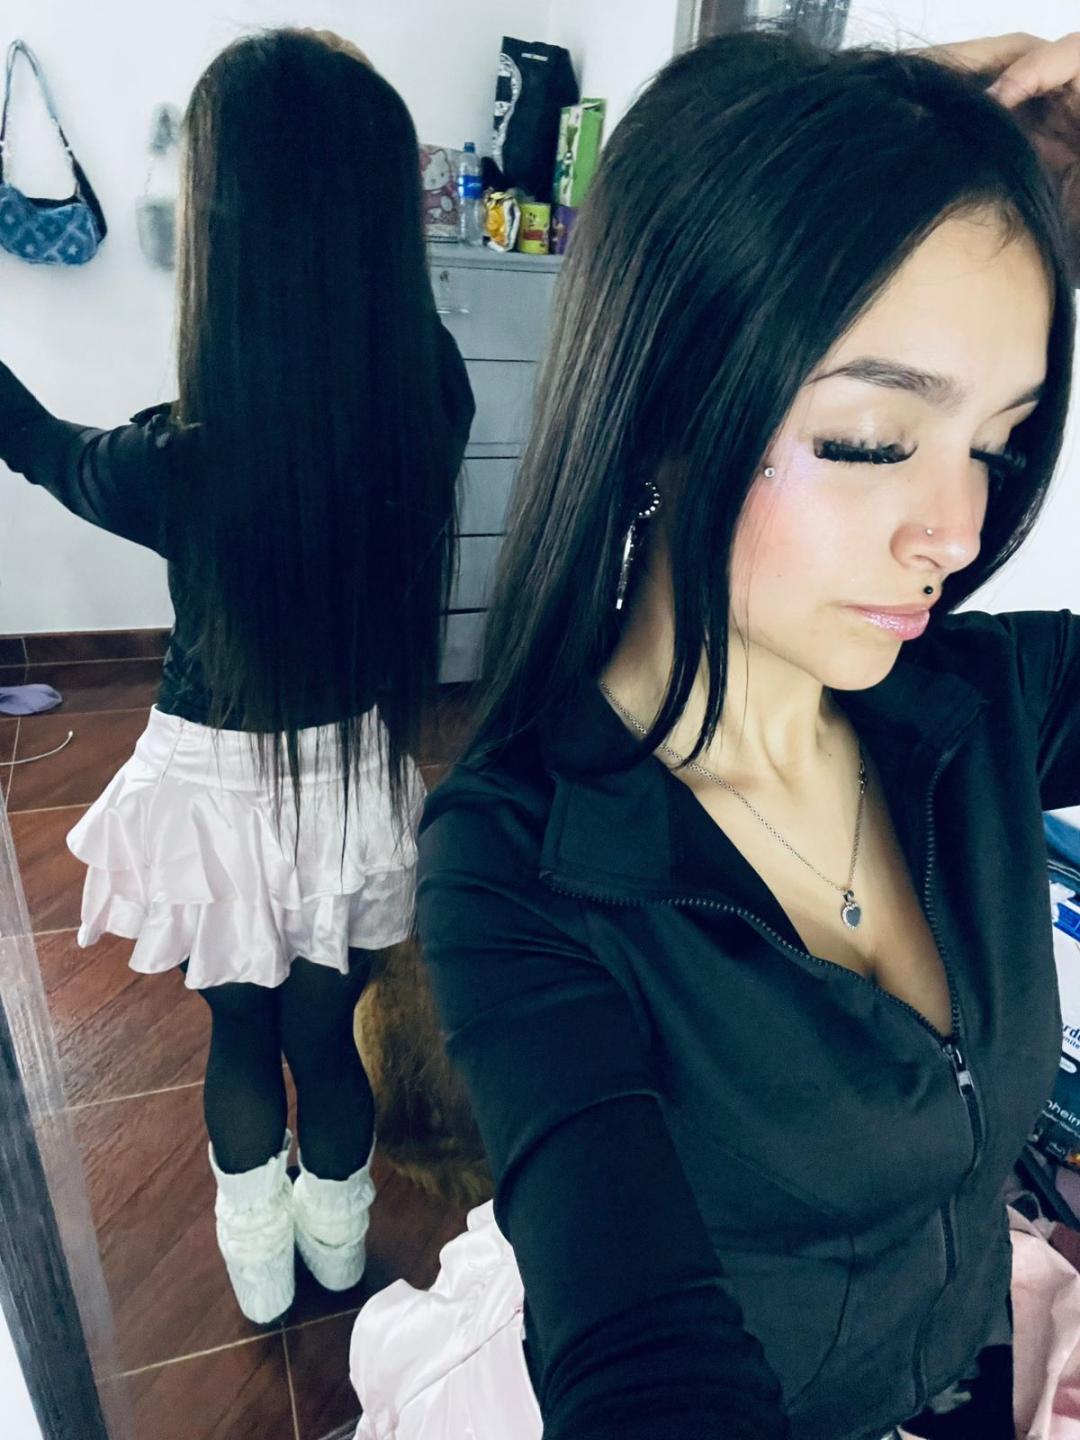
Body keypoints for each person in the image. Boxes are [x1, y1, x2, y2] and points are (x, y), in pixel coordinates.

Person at [381, 26, 1080, 1440]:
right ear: (660, 413)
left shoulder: (987, 699)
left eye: (998, 445)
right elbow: (643, 1358)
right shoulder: (523, 869)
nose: (958, 532)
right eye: (875, 440)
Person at [0, 28, 473, 1324]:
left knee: (242, 1038)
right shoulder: (431, 404)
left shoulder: (179, 463)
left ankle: (263, 1280)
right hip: (352, 779)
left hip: (213, 794)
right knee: (328, 1037)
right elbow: (388, 315)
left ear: (225, 234)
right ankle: (339, 1256)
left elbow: (41, 445)